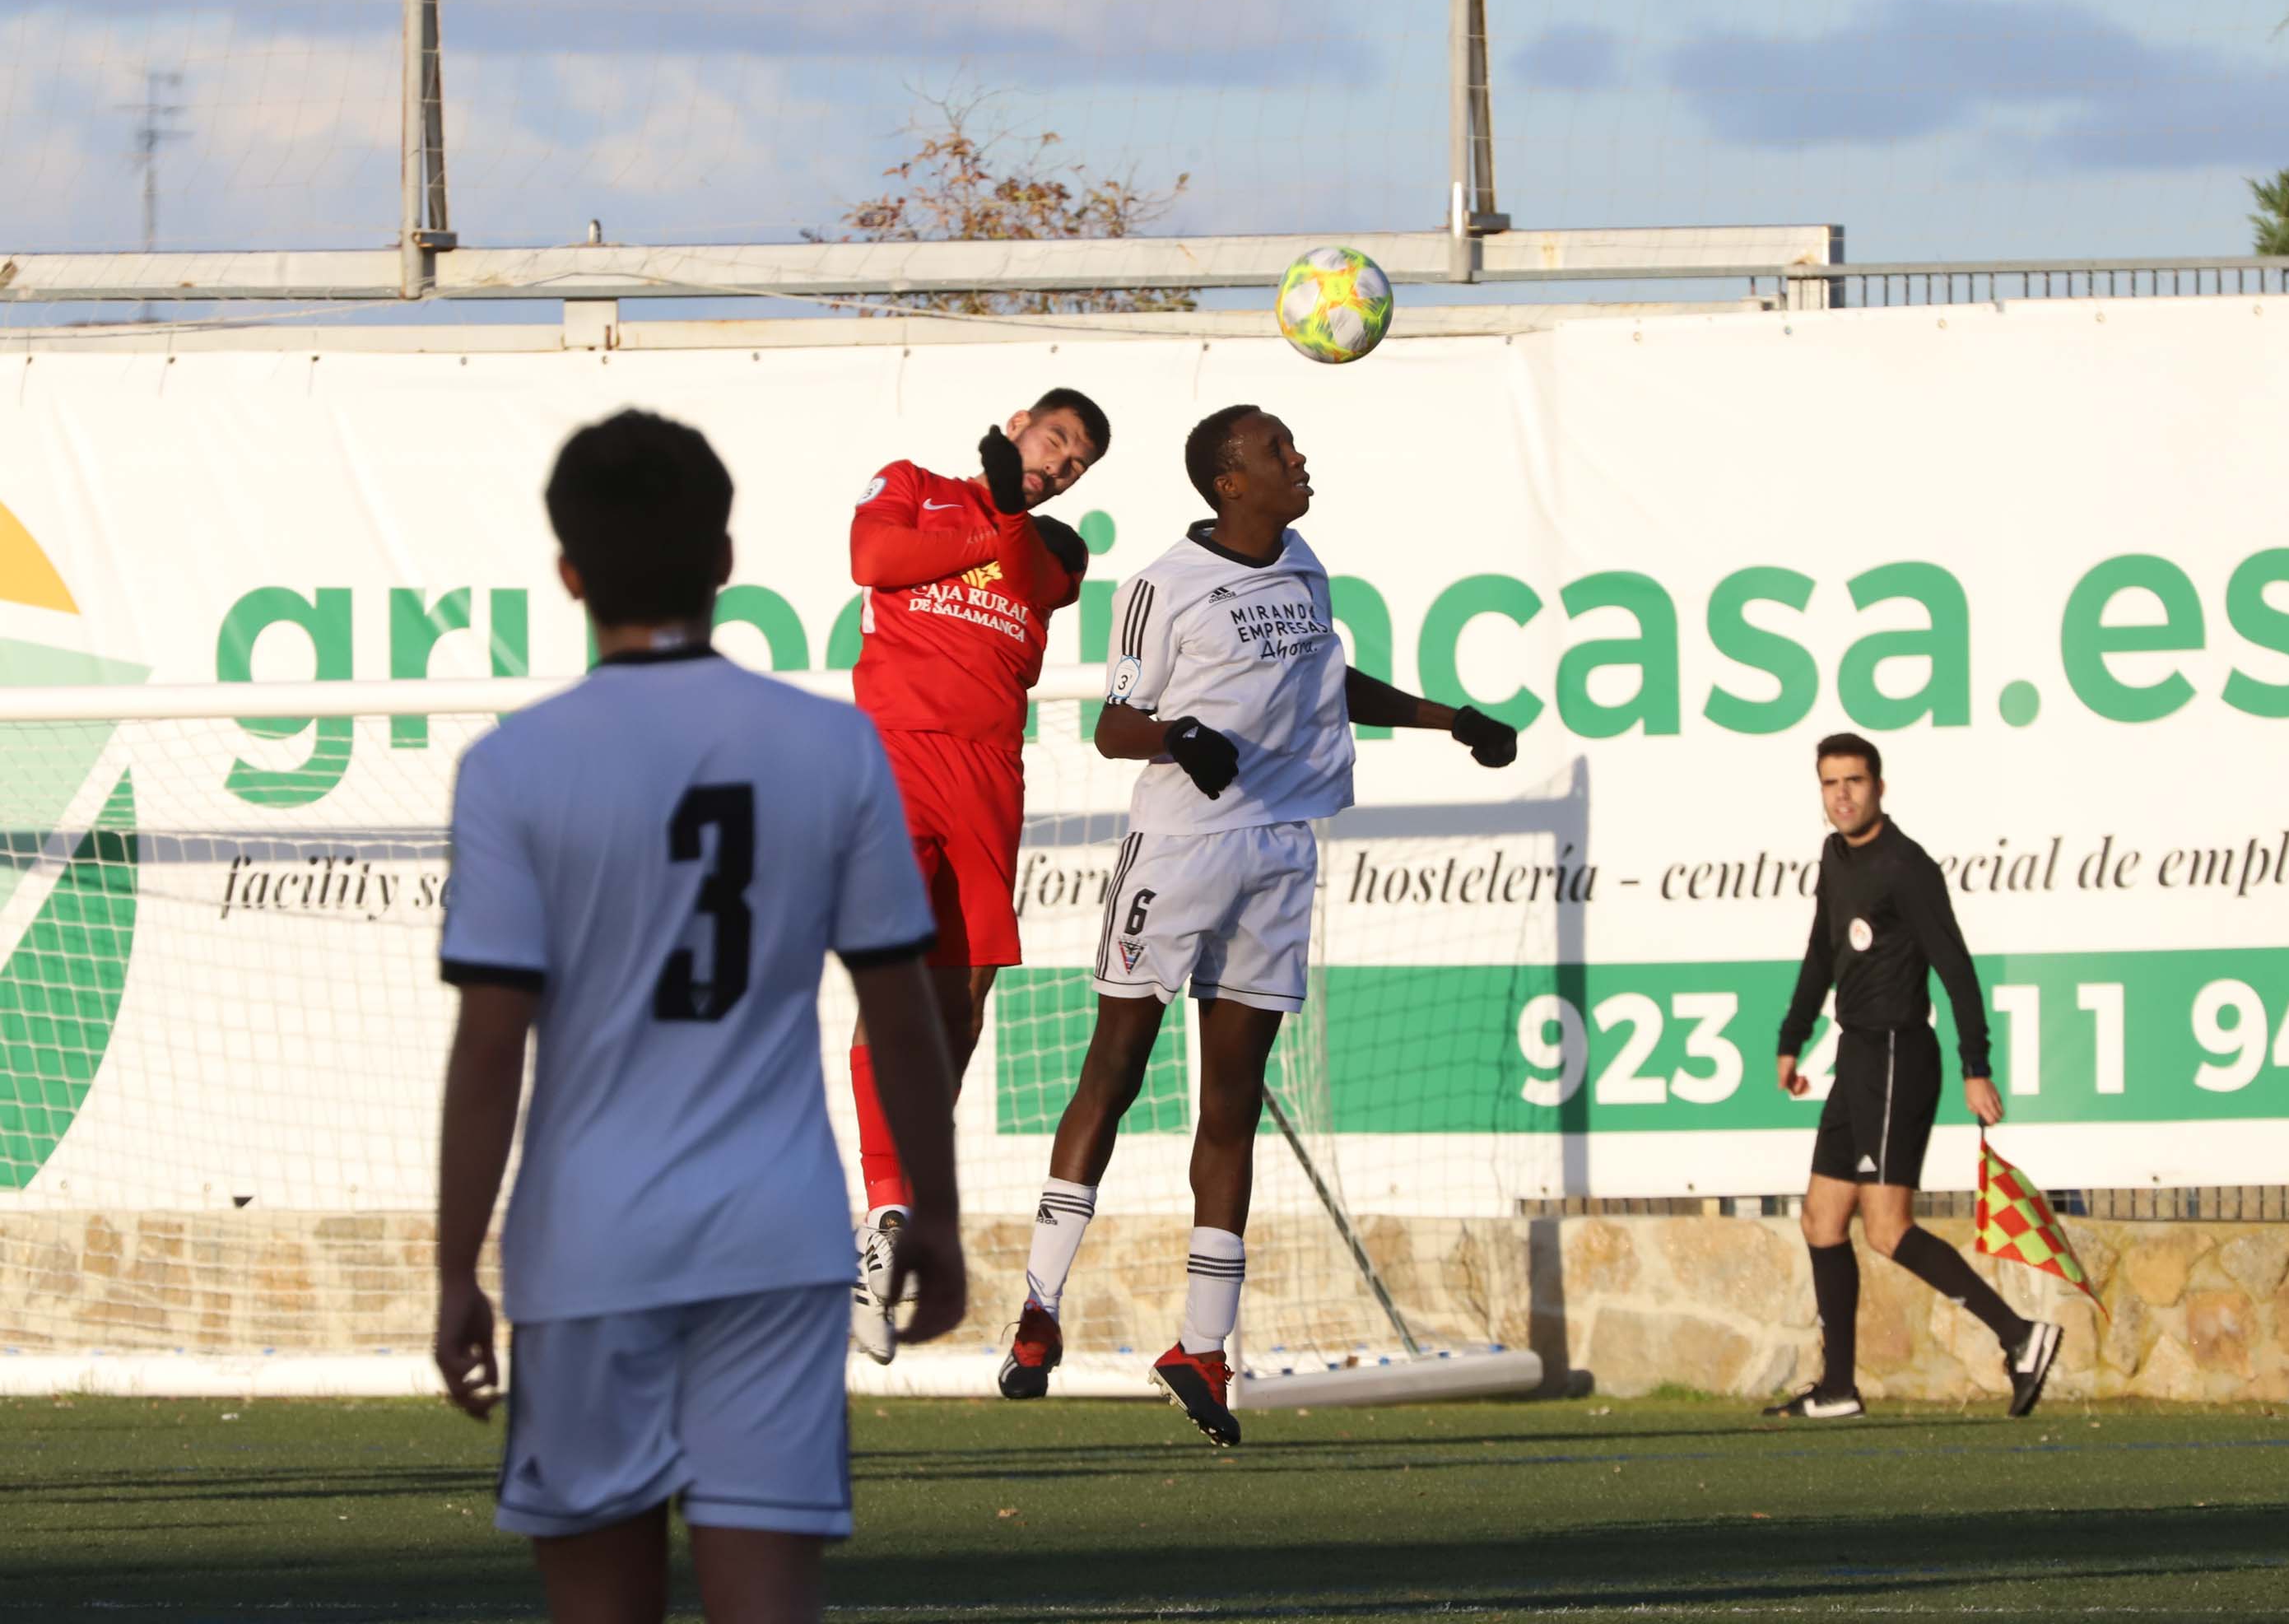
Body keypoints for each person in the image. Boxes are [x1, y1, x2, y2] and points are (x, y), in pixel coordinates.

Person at [432, 409, 965, 1622]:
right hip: (774, 1238)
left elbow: (489, 1048)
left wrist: (454, 1268)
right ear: (726, 560)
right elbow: (901, 1007)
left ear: (568, 574)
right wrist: (932, 1209)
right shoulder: (831, 745)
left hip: (586, 1245)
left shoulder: (514, 765)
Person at [995, 404, 1519, 1445]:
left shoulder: (1307, 564)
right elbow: (1112, 726)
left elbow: (1329, 686)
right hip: (1181, 852)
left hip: (1281, 850)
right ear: (1230, 481)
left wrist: (1449, 718)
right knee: (1119, 1067)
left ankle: (1204, 1346)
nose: (1300, 458)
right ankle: (1039, 1307)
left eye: (1294, 445)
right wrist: (1181, 735)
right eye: (1279, 450)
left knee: (1233, 1095)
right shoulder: (1162, 584)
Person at [841, 390, 1103, 1363]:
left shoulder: (1046, 552)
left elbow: (1038, 572)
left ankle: (900, 1198)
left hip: (990, 777)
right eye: (1058, 440)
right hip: (894, 757)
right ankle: (887, 1205)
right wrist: (989, 519)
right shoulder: (913, 485)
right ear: (1022, 420)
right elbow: (876, 561)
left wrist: (1009, 517)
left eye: (1079, 463)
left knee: (966, 997)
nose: (1065, 461)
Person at [1767, 731, 2061, 1422]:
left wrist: (1975, 1066)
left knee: (1888, 1229)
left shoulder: (1906, 866)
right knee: (1820, 1220)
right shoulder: (1835, 857)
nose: (1842, 795)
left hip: (1901, 1055)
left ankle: (2021, 1336)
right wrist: (1793, 1035)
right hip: (1855, 1056)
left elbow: (1956, 969)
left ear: (1879, 786)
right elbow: (1821, 950)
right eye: (1830, 783)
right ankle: (1837, 1387)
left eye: (1855, 782)